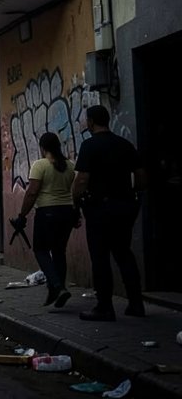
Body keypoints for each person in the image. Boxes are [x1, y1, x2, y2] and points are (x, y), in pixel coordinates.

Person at [72, 105, 147, 321]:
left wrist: (75, 203)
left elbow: (82, 180)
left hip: (99, 209)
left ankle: (104, 306)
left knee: (100, 257)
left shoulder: (90, 145)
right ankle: (136, 303)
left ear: (91, 122)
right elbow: (141, 176)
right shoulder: (124, 144)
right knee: (124, 253)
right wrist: (134, 195)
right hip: (124, 207)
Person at [15, 132, 77, 308]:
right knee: (59, 251)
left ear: (42, 147)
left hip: (47, 212)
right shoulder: (70, 166)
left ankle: (57, 286)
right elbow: (72, 191)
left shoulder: (39, 165)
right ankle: (59, 289)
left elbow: (32, 192)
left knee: (41, 250)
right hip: (66, 212)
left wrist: (22, 215)